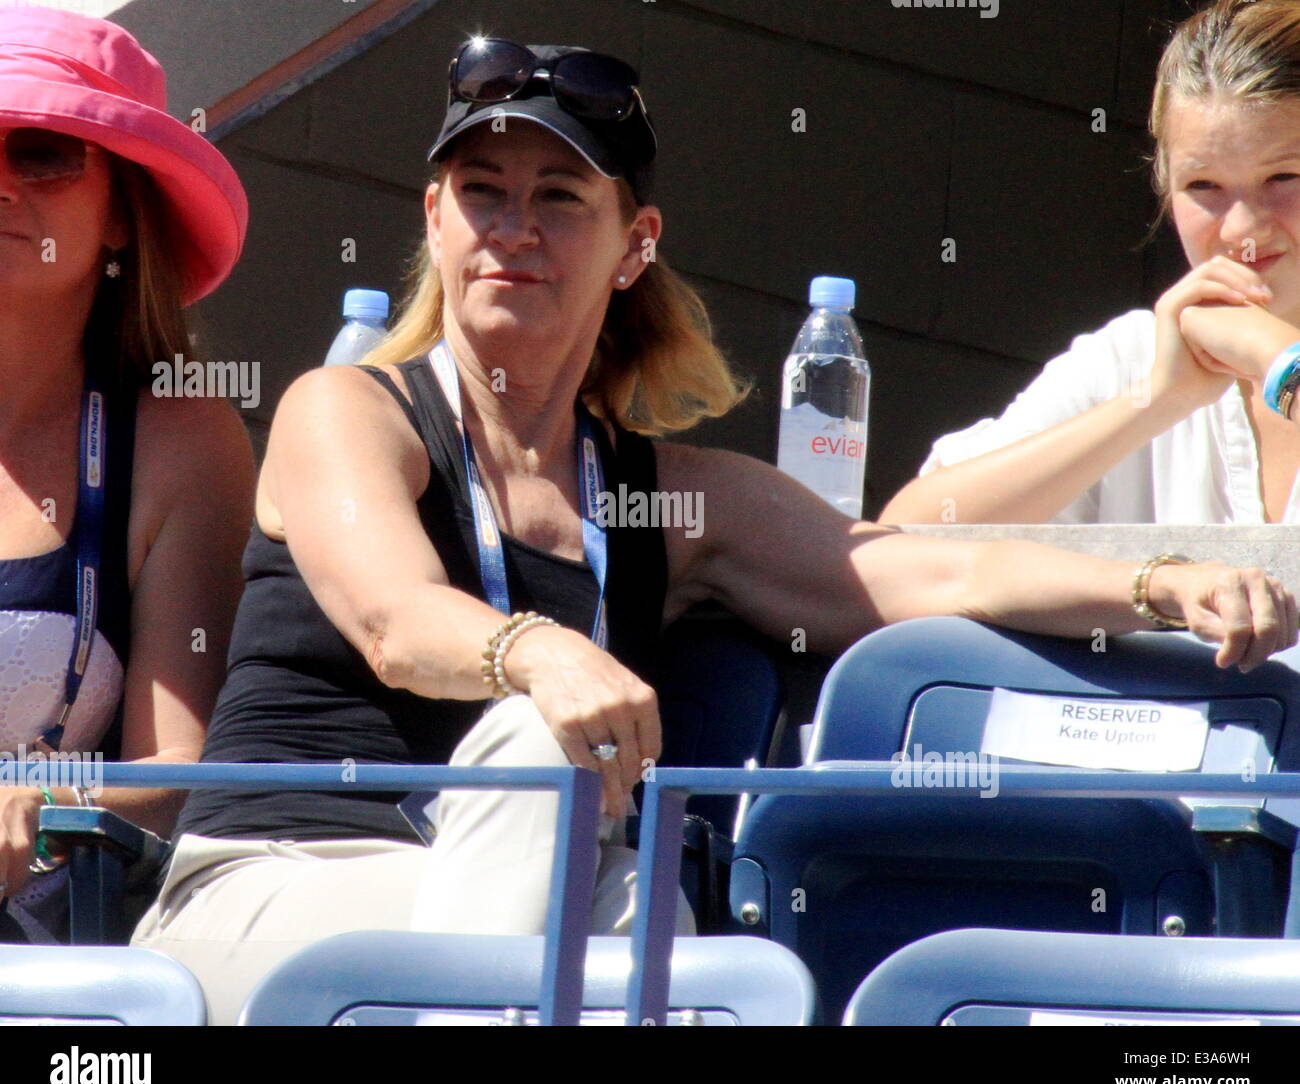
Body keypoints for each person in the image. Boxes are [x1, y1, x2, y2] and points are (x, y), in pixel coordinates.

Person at [132, 37, 1298, 1026]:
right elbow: (395, 621)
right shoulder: (345, 410)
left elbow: (915, 562)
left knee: (685, 956)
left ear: (634, 241)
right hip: (281, 884)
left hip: (533, 909)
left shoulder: (672, 500)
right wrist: (539, 652)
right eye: (482, 192)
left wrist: (1157, 581)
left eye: (558, 198)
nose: (512, 230)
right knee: (557, 779)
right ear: (433, 218)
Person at [0, 8, 253, 940]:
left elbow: (182, 774)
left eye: (41, 153)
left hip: (48, 973)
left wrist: (40, 801)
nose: (0, 185)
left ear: (119, 217)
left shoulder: (183, 440)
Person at [881, 0, 1300, 526]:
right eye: (1203, 186)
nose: (1240, 229)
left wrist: (1282, 360)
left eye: (1284, 178)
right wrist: (1159, 401)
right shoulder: (1137, 358)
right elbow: (911, 536)